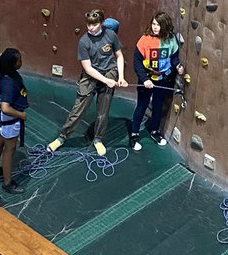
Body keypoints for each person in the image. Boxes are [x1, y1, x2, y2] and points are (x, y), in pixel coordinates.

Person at [47, 12, 126, 156]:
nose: (90, 28)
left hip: (109, 72)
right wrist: (105, 80)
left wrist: (120, 77)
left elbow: (119, 56)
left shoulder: (111, 35)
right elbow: (88, 68)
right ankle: (62, 137)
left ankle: (98, 139)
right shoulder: (84, 41)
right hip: (91, 76)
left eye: (94, 24)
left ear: (101, 23)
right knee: (78, 110)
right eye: (88, 24)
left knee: (103, 111)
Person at [130, 12, 183, 151]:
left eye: (158, 25)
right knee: (142, 105)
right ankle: (134, 133)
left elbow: (174, 57)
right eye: (153, 24)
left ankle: (154, 131)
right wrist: (145, 79)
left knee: (158, 105)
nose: (155, 27)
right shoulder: (144, 40)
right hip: (147, 78)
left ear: (165, 26)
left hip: (163, 79)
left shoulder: (171, 40)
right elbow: (137, 62)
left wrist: (177, 66)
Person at [0, 48, 29, 195]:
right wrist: (20, 115)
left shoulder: (5, 74)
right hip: (10, 119)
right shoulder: (9, 83)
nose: (21, 62)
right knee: (9, 151)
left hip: (3, 119)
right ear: (12, 64)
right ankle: (7, 183)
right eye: (19, 60)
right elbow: (5, 108)